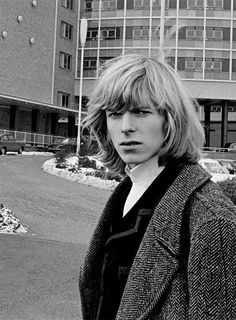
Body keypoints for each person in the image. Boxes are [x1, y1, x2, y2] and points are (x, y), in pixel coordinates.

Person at [79, 53, 236, 320]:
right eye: (115, 114)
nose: (126, 127)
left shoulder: (211, 220)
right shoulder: (128, 191)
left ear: (170, 119)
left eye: (141, 112)